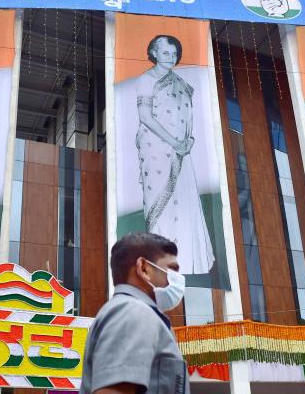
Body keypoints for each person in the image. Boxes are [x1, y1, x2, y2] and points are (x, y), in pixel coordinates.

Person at [135, 35, 215, 275]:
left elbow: (188, 119)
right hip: (156, 149)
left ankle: (190, 260)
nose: (170, 57)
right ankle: (159, 261)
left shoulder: (180, 82)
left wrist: (188, 141)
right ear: (154, 53)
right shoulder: (146, 80)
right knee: (160, 201)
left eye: (173, 53)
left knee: (184, 199)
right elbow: (145, 117)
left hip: (180, 149)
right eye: (165, 52)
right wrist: (174, 142)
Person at [80, 231, 189, 394]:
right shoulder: (134, 312)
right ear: (144, 268)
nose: (179, 278)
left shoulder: (131, 312)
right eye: (172, 269)